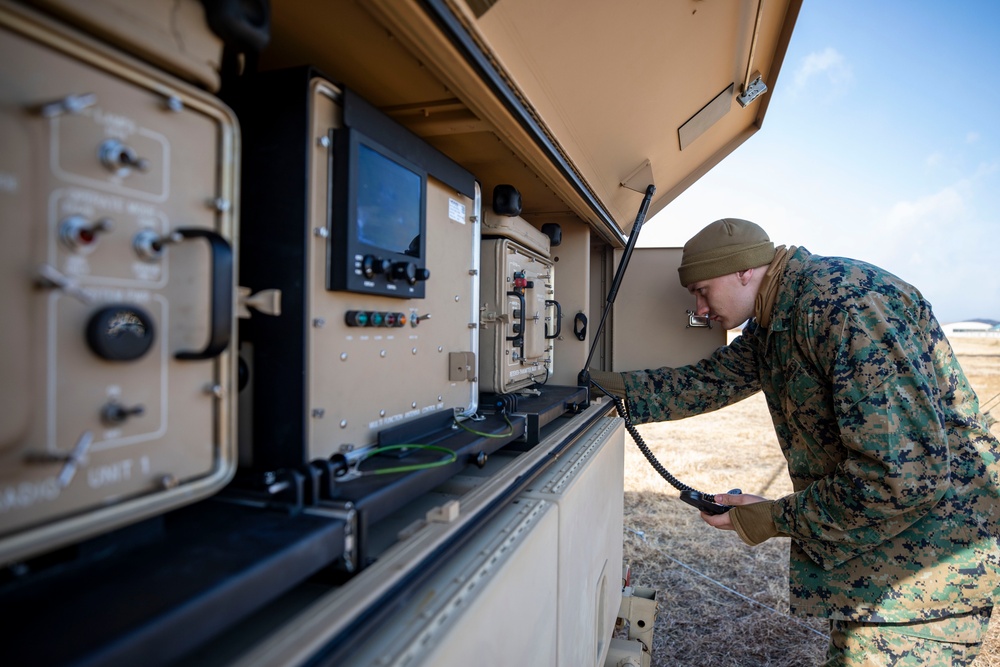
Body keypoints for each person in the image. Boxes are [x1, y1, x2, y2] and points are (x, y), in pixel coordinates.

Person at [591, 218, 1000, 665]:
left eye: (703, 290)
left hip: (923, 576)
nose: (700, 309)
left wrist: (772, 517)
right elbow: (709, 381)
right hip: (882, 565)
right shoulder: (779, 318)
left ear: (744, 271)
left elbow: (899, 477)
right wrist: (596, 386)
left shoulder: (844, 306)